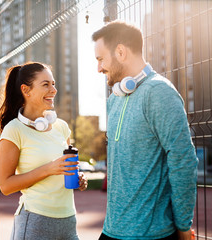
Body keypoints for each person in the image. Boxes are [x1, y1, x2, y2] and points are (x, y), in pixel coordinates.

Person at [92, 21, 198, 240]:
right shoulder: (114, 100)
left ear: (120, 52)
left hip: (151, 235)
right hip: (111, 231)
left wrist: (183, 226)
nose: (99, 68)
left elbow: (183, 161)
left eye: (101, 59)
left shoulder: (159, 93)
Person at [0, 61, 88, 240]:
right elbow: (6, 186)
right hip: (35, 222)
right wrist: (48, 169)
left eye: (53, 84)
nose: (53, 90)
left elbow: (63, 172)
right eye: (45, 84)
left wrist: (79, 178)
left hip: (68, 220)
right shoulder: (14, 130)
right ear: (26, 90)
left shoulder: (61, 127)